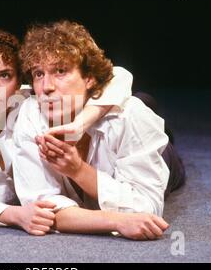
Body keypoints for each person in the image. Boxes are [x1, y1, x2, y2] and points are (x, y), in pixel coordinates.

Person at [0, 27, 139, 236]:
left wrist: (81, 123)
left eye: (5, 75)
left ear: (19, 84)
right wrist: (14, 215)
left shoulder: (28, 100)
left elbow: (118, 76)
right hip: (25, 203)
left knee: (143, 112)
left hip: (139, 141)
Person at [13, 20, 185, 240]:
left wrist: (78, 171)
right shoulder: (31, 113)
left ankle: (154, 115)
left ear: (89, 78)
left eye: (60, 71)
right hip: (108, 120)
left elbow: (146, 207)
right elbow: (42, 209)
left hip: (159, 154)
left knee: (145, 117)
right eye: (38, 74)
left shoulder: (130, 115)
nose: (46, 86)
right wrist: (116, 221)